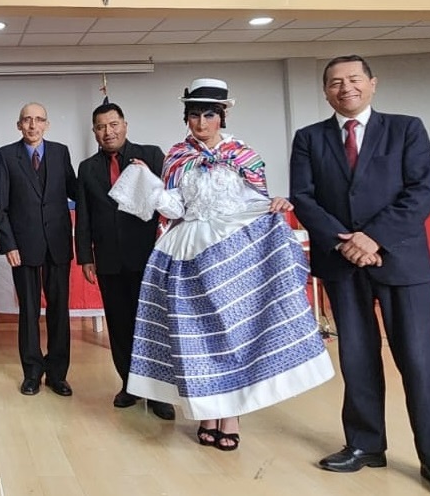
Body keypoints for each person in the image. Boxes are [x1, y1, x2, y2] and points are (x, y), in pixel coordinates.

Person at [121, 78, 333, 451]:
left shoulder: (244, 155)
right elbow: (175, 208)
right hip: (188, 251)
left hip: (234, 252)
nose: (201, 123)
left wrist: (276, 203)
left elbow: (255, 201)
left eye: (208, 115)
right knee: (197, 336)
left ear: (222, 116)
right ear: (186, 118)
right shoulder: (177, 157)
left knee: (233, 332)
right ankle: (207, 413)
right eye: (194, 115)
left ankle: (231, 416)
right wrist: (150, 184)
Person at [290, 55, 430, 496]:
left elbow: (421, 193)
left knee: (419, 363)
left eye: (354, 79)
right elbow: (304, 198)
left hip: (401, 263)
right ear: (325, 91)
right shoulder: (309, 138)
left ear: (372, 84)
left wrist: (373, 238)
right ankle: (365, 445)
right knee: (356, 358)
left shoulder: (406, 129)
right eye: (335, 82)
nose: (345, 88)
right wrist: (345, 242)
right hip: (341, 264)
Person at [74, 102, 175, 420]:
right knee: (119, 326)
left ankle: (158, 393)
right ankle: (130, 385)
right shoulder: (87, 168)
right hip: (109, 259)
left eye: (113, 124)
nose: (108, 132)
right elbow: (85, 215)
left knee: (152, 325)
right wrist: (85, 256)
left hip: (149, 257)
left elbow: (171, 199)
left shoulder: (151, 155)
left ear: (125, 125)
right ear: (95, 132)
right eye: (101, 127)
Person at [0, 102, 78, 397]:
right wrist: (8, 244)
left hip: (58, 244)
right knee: (28, 311)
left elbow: (75, 191)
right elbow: (0, 208)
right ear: (19, 125)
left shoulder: (60, 152)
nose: (32, 125)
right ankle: (31, 373)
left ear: (46, 125)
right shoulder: (5, 155)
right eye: (27, 120)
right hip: (23, 247)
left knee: (59, 311)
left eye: (39, 119)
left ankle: (57, 374)